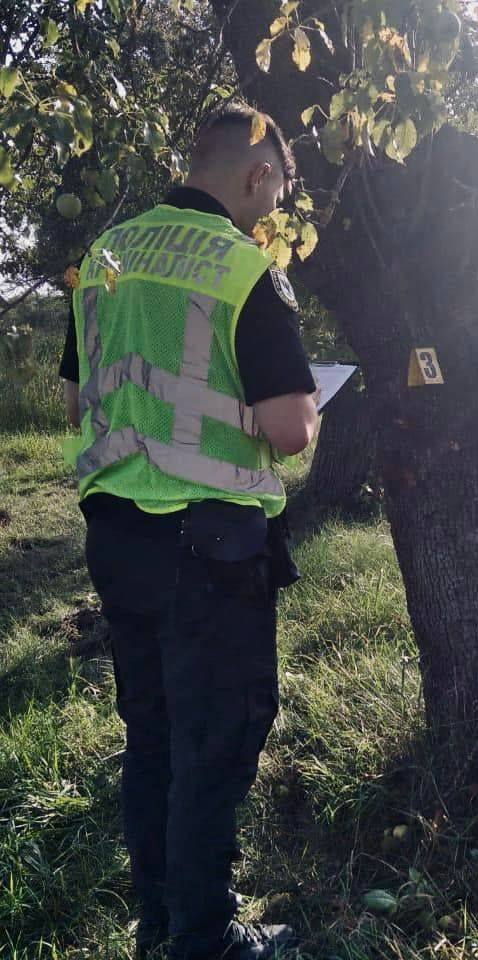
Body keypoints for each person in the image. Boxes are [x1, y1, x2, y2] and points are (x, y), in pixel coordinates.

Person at [59, 102, 319, 960]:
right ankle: (206, 939)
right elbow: (288, 430)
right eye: (277, 186)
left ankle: (160, 921)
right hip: (207, 549)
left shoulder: (108, 255)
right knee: (217, 738)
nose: (275, 204)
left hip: (116, 538)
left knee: (155, 733)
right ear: (255, 173)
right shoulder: (241, 266)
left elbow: (77, 398)